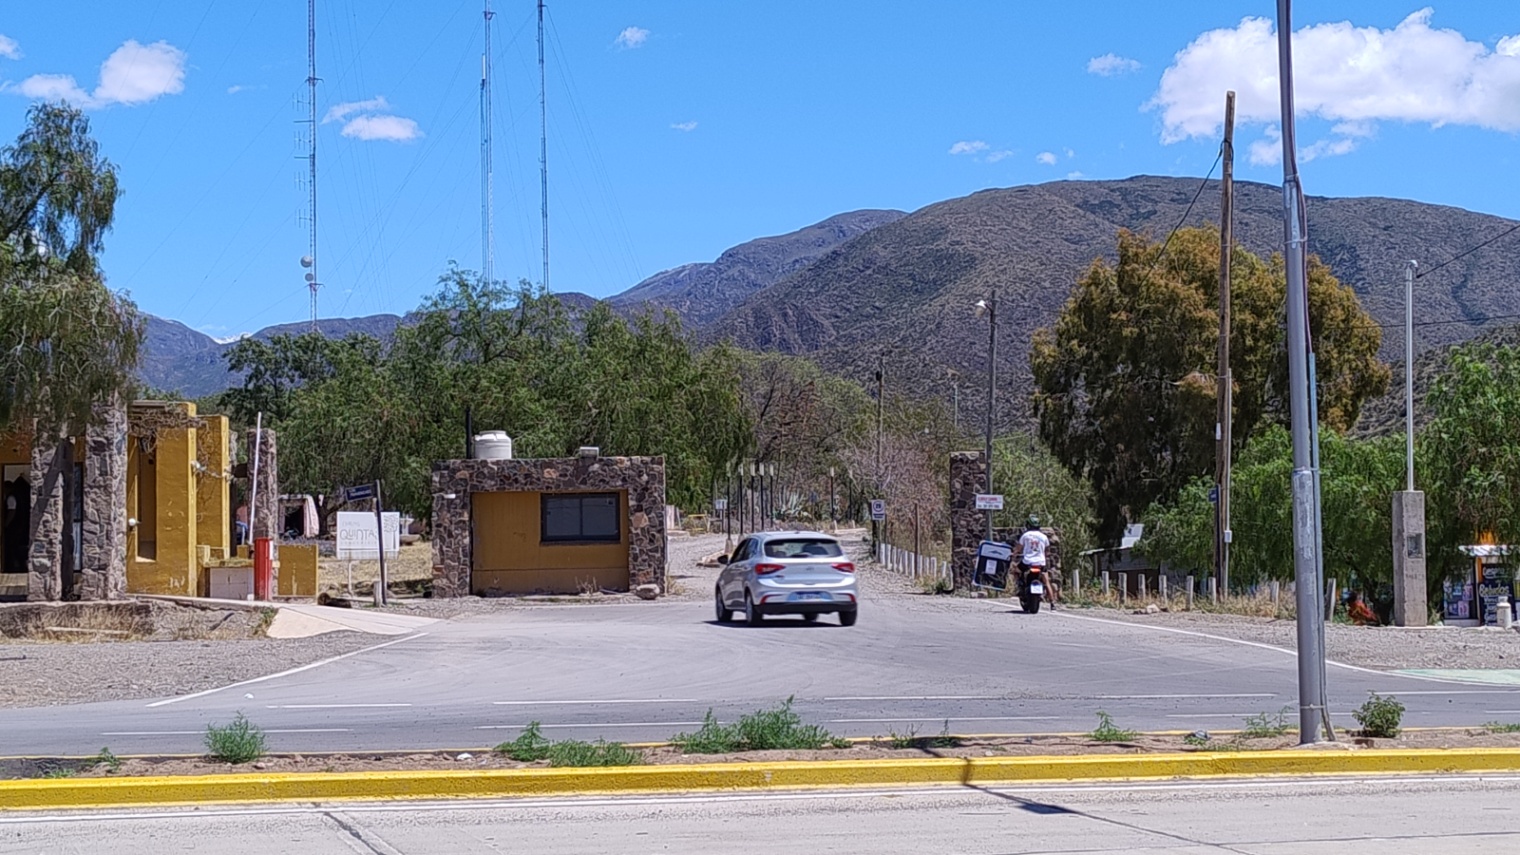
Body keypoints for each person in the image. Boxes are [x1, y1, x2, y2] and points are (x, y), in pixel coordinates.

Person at [1017, 515, 1052, 608]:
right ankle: (1052, 603)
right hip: (1040, 563)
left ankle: (1020, 587)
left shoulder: (1025, 535)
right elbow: (1047, 551)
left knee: (1016, 570)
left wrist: (1014, 554)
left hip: (1027, 562)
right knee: (1046, 581)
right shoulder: (1044, 537)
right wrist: (1045, 556)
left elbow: (1018, 549)